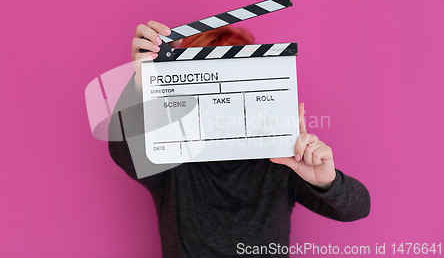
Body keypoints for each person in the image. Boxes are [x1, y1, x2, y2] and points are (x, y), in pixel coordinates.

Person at [108, 20, 370, 258]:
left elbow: (357, 209)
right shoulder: (172, 158)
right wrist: (143, 81)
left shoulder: (282, 160)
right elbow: (122, 149)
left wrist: (327, 181)